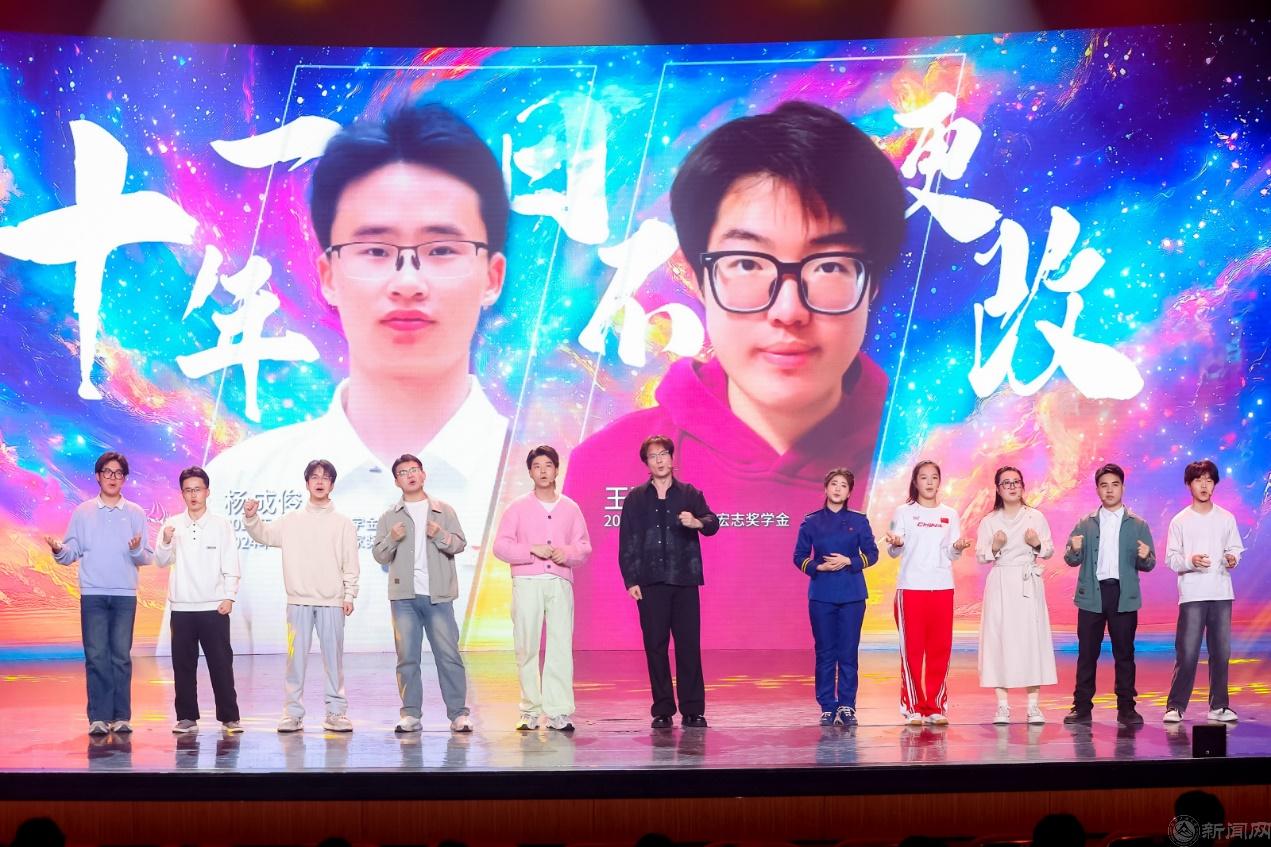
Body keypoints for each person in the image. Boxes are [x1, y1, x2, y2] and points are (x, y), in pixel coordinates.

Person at [165, 100, 512, 656]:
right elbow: (198, 687)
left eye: (442, 249)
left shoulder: (537, 478)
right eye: (375, 249)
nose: (407, 282)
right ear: (328, 275)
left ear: (492, 277)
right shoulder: (236, 485)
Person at [564, 100, 907, 651]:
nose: (788, 310)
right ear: (698, 280)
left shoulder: (921, 457)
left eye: (828, 265)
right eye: (747, 264)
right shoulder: (605, 465)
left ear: (874, 285)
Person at [243, 459, 359, 732]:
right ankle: (292, 713)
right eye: (314, 477)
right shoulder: (291, 520)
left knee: (334, 661)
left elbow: (351, 563)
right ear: (307, 483)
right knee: (295, 661)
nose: (319, 482)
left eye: (325, 477)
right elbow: (264, 535)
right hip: (298, 602)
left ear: (332, 484)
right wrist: (251, 517)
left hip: (332, 601)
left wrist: (349, 594)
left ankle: (336, 713)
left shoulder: (343, 523)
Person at [46, 451, 151, 735]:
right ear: (98, 476)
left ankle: (122, 716)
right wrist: (58, 549)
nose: (112, 477)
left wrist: (135, 550)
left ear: (124, 478)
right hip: (93, 594)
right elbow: (71, 552)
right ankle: (99, 717)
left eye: (118, 473)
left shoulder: (136, 513)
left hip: (124, 594)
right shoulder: (83, 512)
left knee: (121, 656)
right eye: (107, 472)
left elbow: (146, 556)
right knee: (96, 656)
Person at [618, 435, 719, 728]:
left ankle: (692, 709)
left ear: (672, 458)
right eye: (653, 456)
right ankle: (662, 709)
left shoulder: (689, 493)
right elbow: (627, 541)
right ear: (646, 463)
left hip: (685, 580)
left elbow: (713, 522)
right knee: (656, 646)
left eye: (663, 454)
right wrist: (631, 580)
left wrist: (697, 522)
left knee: (688, 646)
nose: (659, 460)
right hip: (650, 582)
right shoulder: (636, 498)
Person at [492, 445, 592, 732]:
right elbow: (500, 546)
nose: (543, 471)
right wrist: (530, 549)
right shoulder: (517, 507)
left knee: (560, 646)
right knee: (526, 645)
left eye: (548, 465)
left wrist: (566, 553)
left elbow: (584, 547)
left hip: (559, 582)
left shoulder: (570, 507)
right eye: (537, 466)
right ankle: (530, 710)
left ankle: (559, 711)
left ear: (557, 469)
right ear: (530, 472)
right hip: (527, 582)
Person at [371, 453, 473, 733]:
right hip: (404, 597)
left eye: (414, 470)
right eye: (403, 472)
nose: (410, 475)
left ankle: (458, 714)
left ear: (424, 474)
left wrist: (439, 534)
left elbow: (459, 545)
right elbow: (379, 555)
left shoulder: (444, 511)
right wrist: (392, 538)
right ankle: (411, 714)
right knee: (407, 657)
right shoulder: (389, 516)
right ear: (396, 481)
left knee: (448, 655)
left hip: (438, 595)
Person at [1062, 463, 1156, 727]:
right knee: (1087, 653)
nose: (1110, 490)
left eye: (1115, 484)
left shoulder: (1138, 524)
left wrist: (1145, 556)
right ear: (1097, 490)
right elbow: (1070, 559)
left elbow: (1150, 563)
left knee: (1124, 653)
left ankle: (1127, 708)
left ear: (1123, 488)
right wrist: (1075, 549)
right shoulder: (1086, 523)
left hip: (1122, 594)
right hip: (1092, 594)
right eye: (1104, 485)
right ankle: (1081, 707)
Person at [154, 466, 242, 733]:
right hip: (182, 607)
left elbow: (231, 563)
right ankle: (186, 717)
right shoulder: (172, 525)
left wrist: (229, 596)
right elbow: (161, 561)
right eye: (188, 490)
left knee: (221, 665)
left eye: (198, 489)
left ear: (207, 492)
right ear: (182, 494)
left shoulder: (221, 525)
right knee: (183, 666)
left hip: (214, 607)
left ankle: (229, 717)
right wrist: (166, 541)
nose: (193, 495)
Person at [885, 460, 972, 725]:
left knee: (940, 649)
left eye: (934, 477)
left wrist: (957, 547)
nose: (930, 482)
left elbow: (951, 553)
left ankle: (935, 706)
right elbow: (893, 550)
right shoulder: (903, 512)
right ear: (915, 482)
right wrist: (896, 543)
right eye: (924, 477)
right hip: (911, 588)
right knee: (912, 651)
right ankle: (913, 706)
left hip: (942, 587)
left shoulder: (950, 514)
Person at [792, 468, 878, 727]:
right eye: (834, 484)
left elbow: (872, 554)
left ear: (849, 492)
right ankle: (827, 706)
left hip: (852, 594)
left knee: (848, 652)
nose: (838, 488)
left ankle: (847, 705)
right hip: (822, 594)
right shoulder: (811, 521)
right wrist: (818, 566)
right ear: (826, 488)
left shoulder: (859, 520)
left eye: (843, 485)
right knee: (825, 652)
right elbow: (799, 556)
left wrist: (849, 561)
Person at [974, 466, 1057, 725]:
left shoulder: (1035, 517)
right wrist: (994, 547)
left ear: (1022, 486)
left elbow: (1049, 550)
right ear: (998, 489)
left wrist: (1036, 544)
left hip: (1027, 582)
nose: (1011, 486)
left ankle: (1033, 705)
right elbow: (981, 555)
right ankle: (1002, 705)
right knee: (999, 639)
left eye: (1016, 482)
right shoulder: (990, 521)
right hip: (1001, 582)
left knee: (1031, 639)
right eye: (1006, 483)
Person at [1163, 459, 1244, 723]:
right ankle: (1175, 706)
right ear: (1189, 484)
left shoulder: (1226, 518)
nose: (1204, 485)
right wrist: (1191, 561)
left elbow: (1235, 548)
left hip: (1221, 593)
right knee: (1187, 652)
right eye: (1199, 480)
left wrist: (1232, 558)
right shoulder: (1180, 521)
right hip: (1192, 595)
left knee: (1221, 653)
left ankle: (1219, 706)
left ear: (1215, 484)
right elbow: (1171, 558)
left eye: (1209, 480)